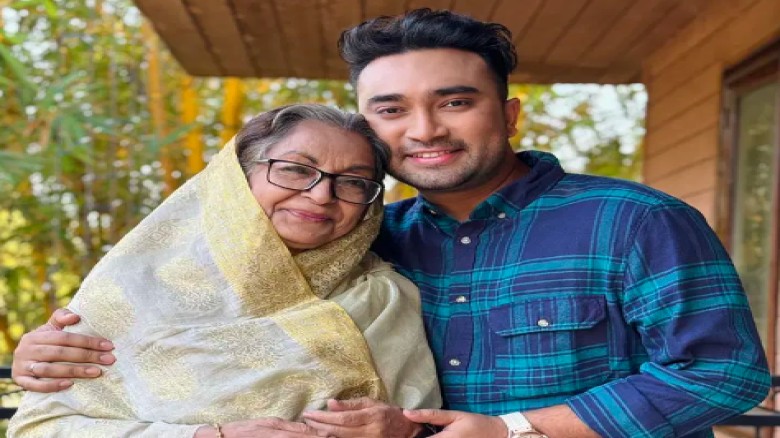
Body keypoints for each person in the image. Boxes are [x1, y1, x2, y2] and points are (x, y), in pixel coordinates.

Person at [12, 8, 770, 438]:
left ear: (507, 113)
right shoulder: (366, 238)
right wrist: (49, 352)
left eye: (455, 102)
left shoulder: (635, 222)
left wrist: (515, 428)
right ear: (370, 130)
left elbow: (724, 375)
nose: (425, 129)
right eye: (391, 109)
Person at [8, 104, 441, 438]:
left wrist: (407, 430)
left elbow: (420, 426)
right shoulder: (133, 283)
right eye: (295, 169)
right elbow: (38, 429)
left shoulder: (381, 299)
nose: (321, 195)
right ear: (237, 179)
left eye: (353, 181)